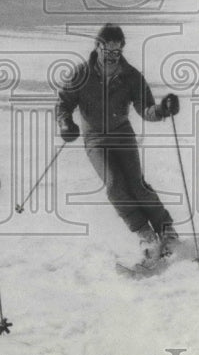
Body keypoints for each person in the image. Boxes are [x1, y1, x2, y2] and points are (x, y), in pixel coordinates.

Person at [56, 23, 180, 273]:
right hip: (95, 139)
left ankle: (167, 230)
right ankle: (145, 234)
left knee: (136, 184)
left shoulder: (130, 75)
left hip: (122, 134)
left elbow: (145, 109)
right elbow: (64, 103)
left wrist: (163, 110)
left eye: (117, 51)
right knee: (114, 185)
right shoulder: (81, 74)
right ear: (97, 46)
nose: (112, 56)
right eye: (107, 50)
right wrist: (65, 122)